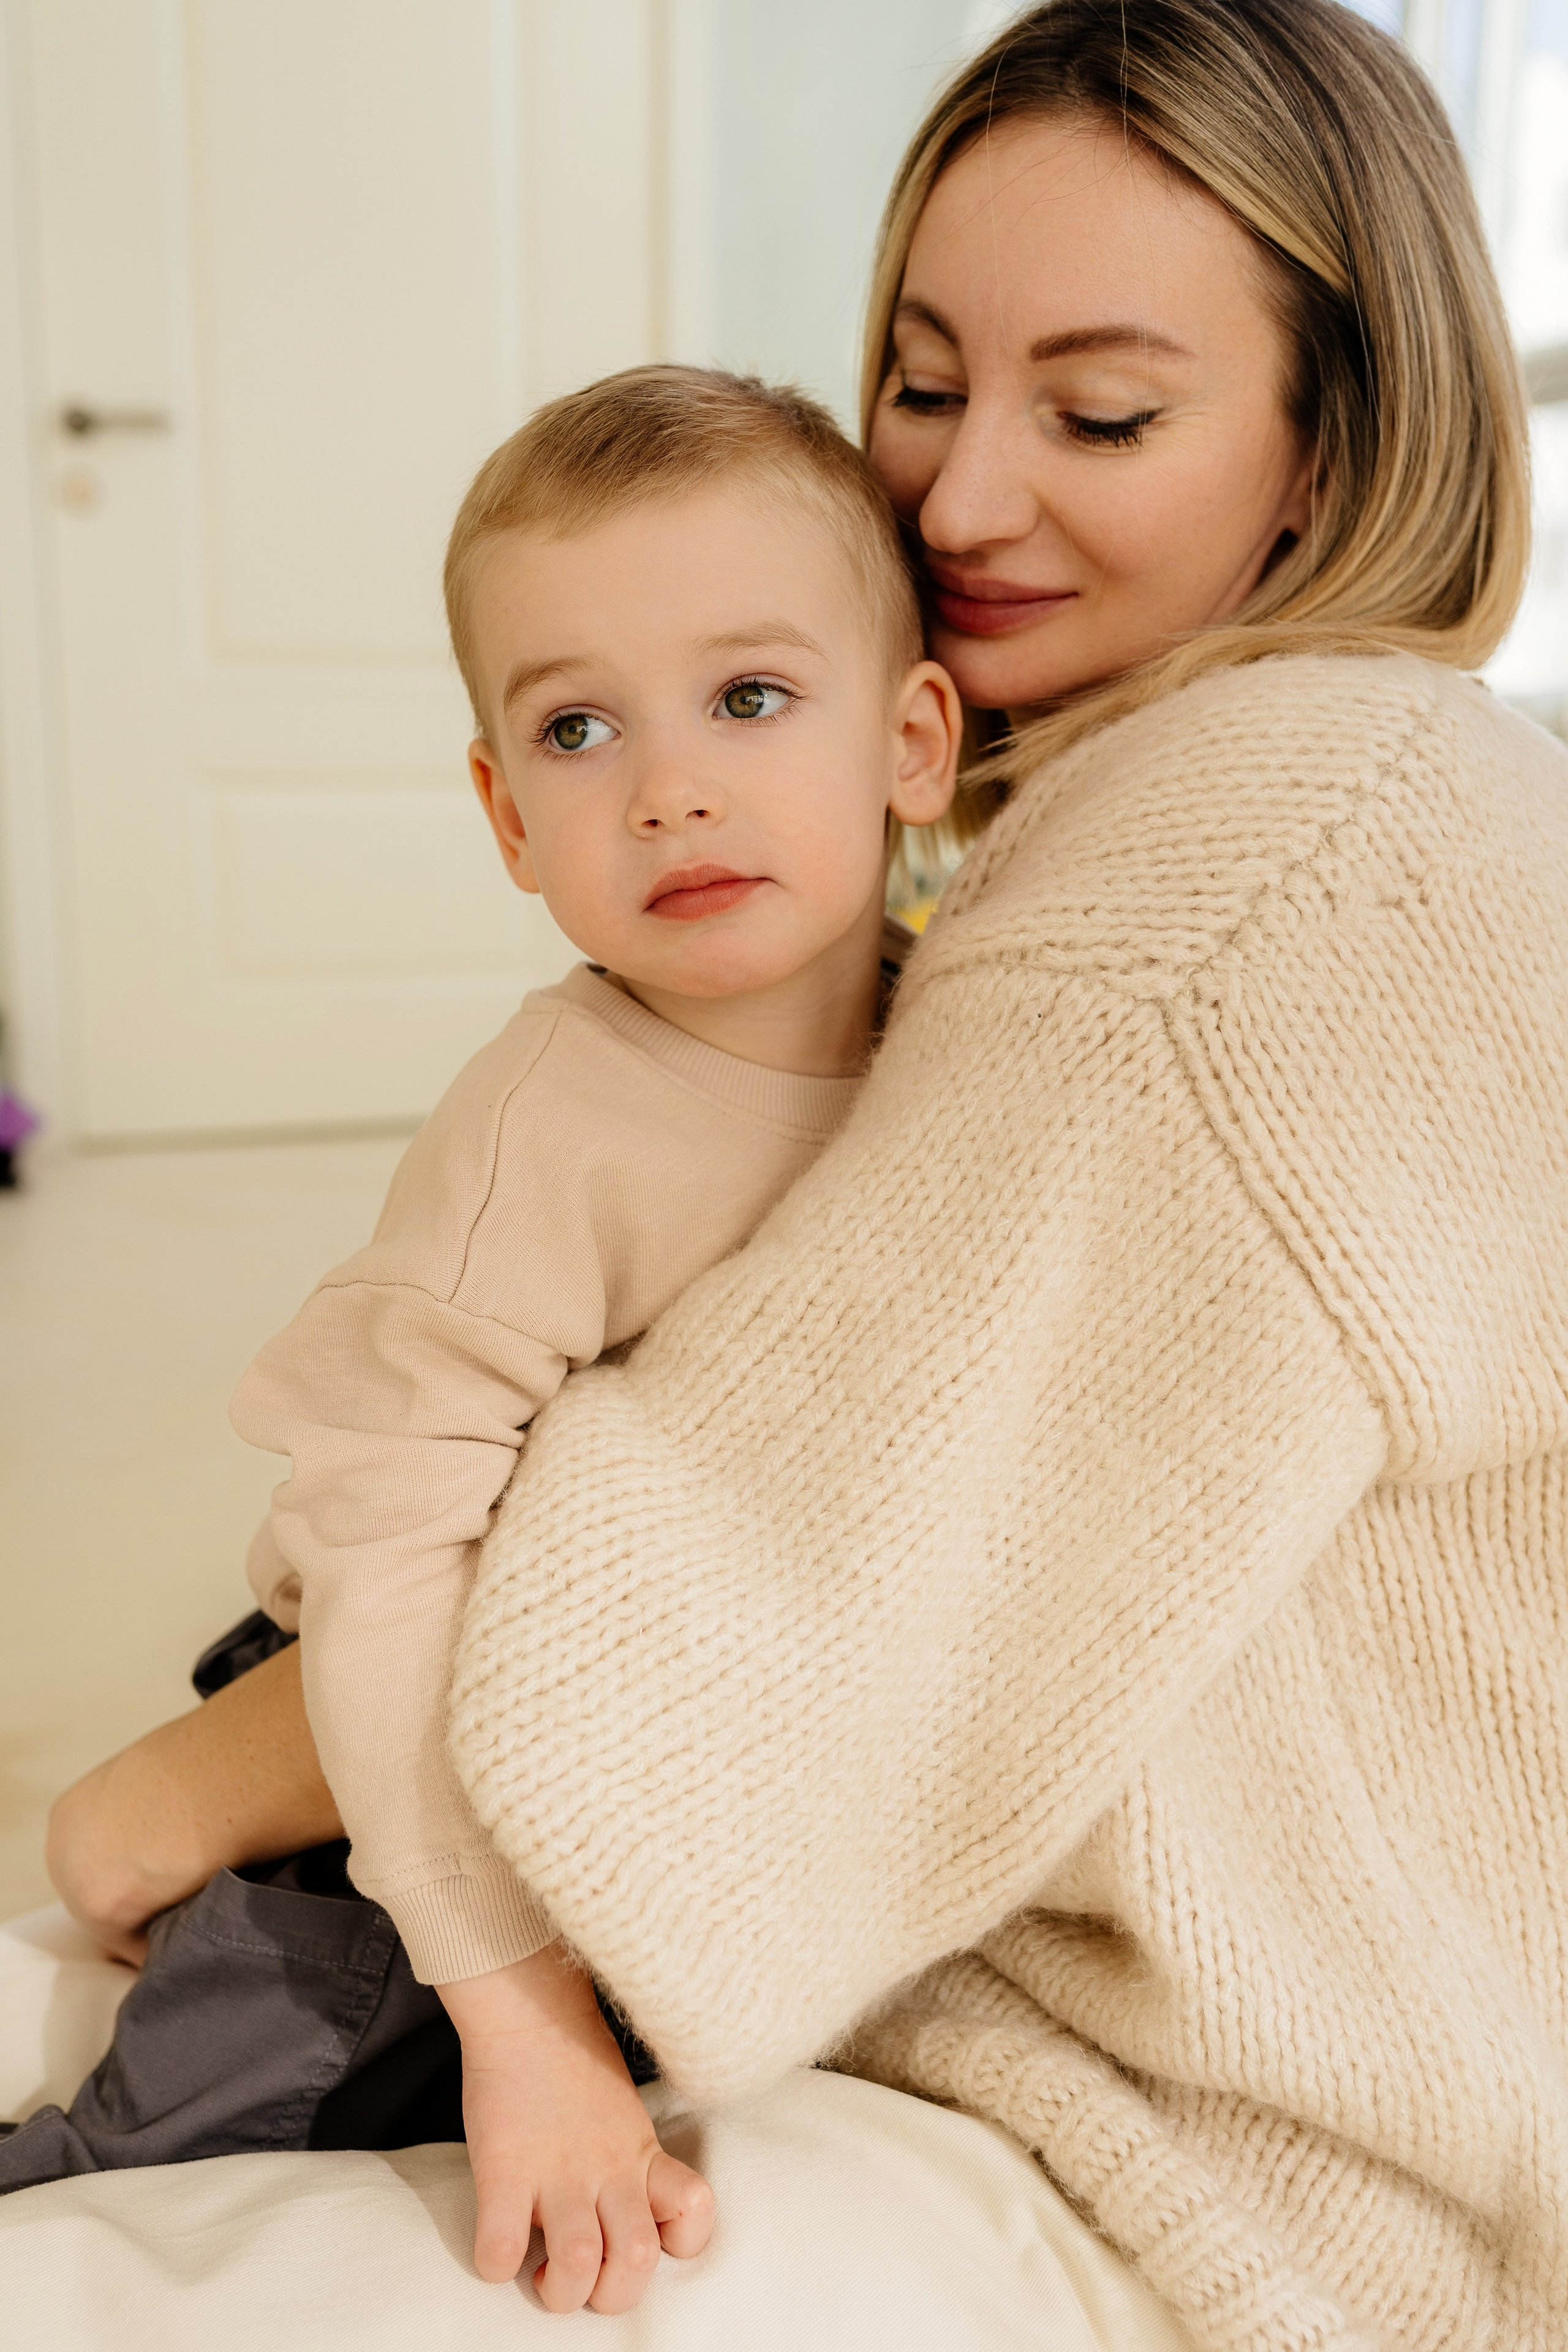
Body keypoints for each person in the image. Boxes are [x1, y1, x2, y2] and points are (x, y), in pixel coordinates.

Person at [34, 0, 1568, 2343]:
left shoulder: (1261, 849)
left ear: (1325, 446)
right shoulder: (1141, 799)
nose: (952, 503)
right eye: (926, 379)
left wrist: (196, 1784)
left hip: (1275, 2083)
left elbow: (764, 1609)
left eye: (1107, 411)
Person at [2, 368, 963, 2305]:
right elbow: (390, 1563)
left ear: (916, 737)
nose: (668, 786)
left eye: (752, 699)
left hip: (671, 1712)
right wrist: (523, 2016)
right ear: (505, 813)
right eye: (578, 727)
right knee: (228, 2096)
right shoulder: (552, 1131)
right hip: (404, 1699)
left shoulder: (977, 1031)